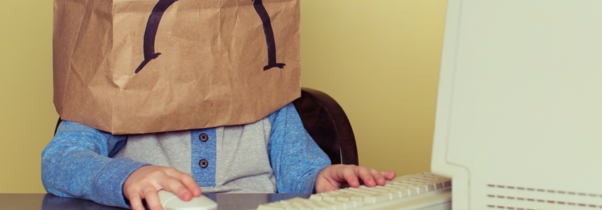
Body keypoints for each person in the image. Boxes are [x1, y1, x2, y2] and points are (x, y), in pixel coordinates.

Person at [42, 103, 395, 210]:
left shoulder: (271, 102)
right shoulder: (115, 96)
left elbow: (298, 170)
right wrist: (125, 177)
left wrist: (319, 178)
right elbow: (59, 160)